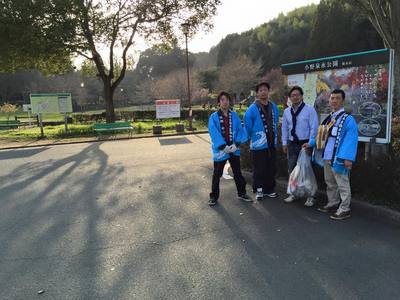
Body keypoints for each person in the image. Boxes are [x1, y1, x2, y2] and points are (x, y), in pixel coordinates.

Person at [303, 89, 358, 220]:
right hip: (327, 155)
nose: (334, 101)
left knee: (342, 183)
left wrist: (347, 157)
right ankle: (333, 203)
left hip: (339, 157)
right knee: (330, 182)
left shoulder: (348, 119)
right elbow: (320, 135)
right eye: (332, 98)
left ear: (342, 101)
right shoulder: (329, 117)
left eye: (337, 98)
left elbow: (351, 138)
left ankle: (345, 208)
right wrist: (311, 143)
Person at [208, 91, 251, 206]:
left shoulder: (234, 116)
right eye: (222, 99)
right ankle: (214, 197)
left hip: (233, 148)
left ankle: (242, 193)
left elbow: (240, 131)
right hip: (221, 150)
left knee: (237, 172)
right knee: (217, 174)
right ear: (219, 102)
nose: (225, 101)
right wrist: (222, 146)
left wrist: (236, 144)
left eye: (226, 99)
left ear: (229, 101)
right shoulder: (214, 117)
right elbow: (213, 132)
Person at [282, 86, 319, 207]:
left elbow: (314, 127)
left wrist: (311, 143)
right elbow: (285, 129)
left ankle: (310, 196)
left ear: (302, 96)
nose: (295, 97)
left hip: (305, 144)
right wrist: (284, 143)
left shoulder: (309, 110)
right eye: (293, 95)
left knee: (307, 170)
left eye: (297, 94)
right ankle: (294, 193)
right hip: (292, 144)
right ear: (290, 98)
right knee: (292, 169)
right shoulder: (287, 112)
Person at [244, 82, 280, 201]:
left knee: (271, 166)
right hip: (258, 144)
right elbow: (248, 125)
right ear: (257, 93)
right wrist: (251, 138)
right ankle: (259, 189)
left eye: (265, 90)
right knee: (259, 168)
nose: (263, 92)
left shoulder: (273, 106)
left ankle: (269, 189)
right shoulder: (252, 108)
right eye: (261, 90)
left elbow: (275, 121)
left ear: (268, 92)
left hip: (271, 143)